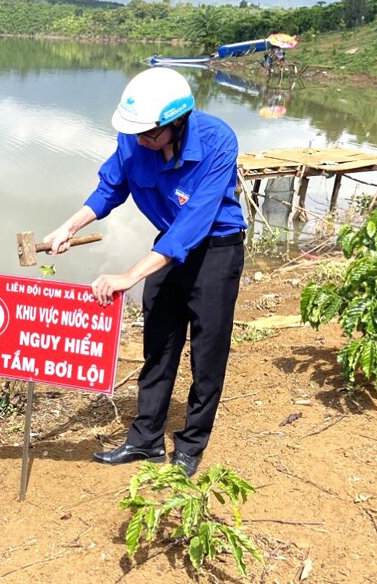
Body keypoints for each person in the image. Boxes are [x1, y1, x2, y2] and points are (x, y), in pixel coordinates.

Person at [44, 68, 247, 477]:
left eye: (150, 136)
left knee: (208, 352)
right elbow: (109, 189)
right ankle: (146, 440)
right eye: (136, 134)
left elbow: (193, 225)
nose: (140, 142)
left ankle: (190, 445)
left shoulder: (218, 141)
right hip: (167, 245)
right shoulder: (135, 137)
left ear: (177, 123)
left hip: (216, 249)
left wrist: (128, 276)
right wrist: (70, 225)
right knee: (159, 343)